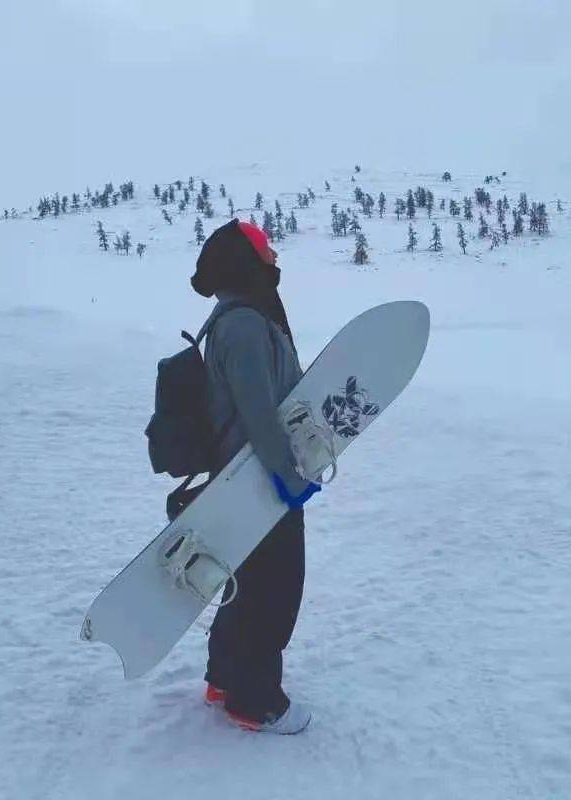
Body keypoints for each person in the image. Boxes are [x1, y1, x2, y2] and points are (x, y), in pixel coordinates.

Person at [190, 219, 321, 735]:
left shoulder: (243, 316)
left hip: (247, 477)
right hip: (256, 481)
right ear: (247, 262)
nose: (274, 256)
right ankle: (256, 700)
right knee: (274, 590)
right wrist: (286, 476)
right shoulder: (244, 324)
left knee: (246, 585)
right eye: (266, 249)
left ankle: (225, 678)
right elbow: (258, 414)